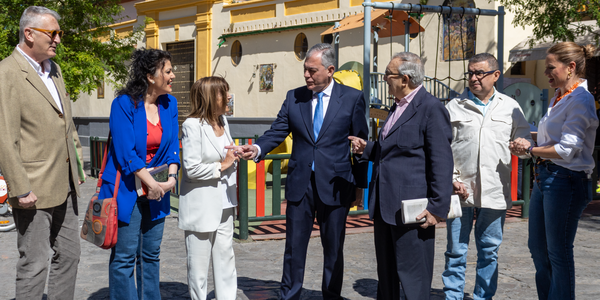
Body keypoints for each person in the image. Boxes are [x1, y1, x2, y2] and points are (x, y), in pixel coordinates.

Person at [230, 43, 368, 300]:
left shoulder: (352, 98)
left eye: (312, 70)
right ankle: (289, 295)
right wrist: (258, 149)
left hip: (337, 184)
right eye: (305, 69)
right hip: (300, 184)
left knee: (334, 249)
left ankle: (331, 295)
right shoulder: (295, 97)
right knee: (294, 247)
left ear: (330, 70)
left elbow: (360, 145)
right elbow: (277, 131)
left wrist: (359, 186)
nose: (306, 75)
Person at [348, 52, 453, 300]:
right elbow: (397, 150)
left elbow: (441, 161)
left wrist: (438, 208)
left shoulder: (430, 108)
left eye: (388, 74)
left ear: (404, 79)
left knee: (413, 278)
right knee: (387, 276)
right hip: (385, 206)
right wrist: (369, 149)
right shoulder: (397, 106)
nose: (385, 79)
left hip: (413, 210)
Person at [0, 6, 84, 300]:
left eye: (60, 33)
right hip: (33, 188)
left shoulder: (55, 69)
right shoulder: (7, 73)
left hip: (65, 185)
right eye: (53, 33)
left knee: (70, 257)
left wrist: (77, 169)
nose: (58, 39)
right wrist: (19, 187)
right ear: (29, 33)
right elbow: (4, 137)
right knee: (34, 264)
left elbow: (66, 122)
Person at [510, 42, 598, 300]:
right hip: (546, 177)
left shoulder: (580, 99)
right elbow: (555, 139)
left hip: (566, 180)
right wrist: (528, 140)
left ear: (570, 67)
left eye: (550, 67)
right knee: (538, 249)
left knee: (558, 252)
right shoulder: (560, 95)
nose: (546, 72)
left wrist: (530, 150)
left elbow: (567, 149)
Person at [442, 53, 533, 300]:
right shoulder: (454, 106)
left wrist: (524, 145)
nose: (473, 78)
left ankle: (483, 297)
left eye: (479, 73)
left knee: (489, 251)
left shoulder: (511, 107)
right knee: (455, 251)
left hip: (495, 190)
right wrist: (451, 178)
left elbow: (527, 146)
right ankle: (453, 296)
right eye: (470, 73)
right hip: (460, 190)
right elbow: (442, 148)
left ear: (495, 75)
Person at [99, 48, 180, 300]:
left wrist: (171, 180)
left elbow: (173, 147)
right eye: (168, 71)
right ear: (150, 76)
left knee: (151, 254)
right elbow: (126, 153)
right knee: (124, 257)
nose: (173, 76)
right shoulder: (123, 104)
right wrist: (151, 184)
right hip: (127, 189)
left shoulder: (170, 104)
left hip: (159, 190)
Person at [179, 76, 239, 300]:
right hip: (201, 205)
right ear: (211, 97)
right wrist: (223, 164)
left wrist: (236, 155)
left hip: (225, 202)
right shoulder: (192, 125)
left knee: (226, 260)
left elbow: (227, 153)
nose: (228, 96)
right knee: (198, 267)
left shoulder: (224, 121)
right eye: (223, 92)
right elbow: (191, 168)